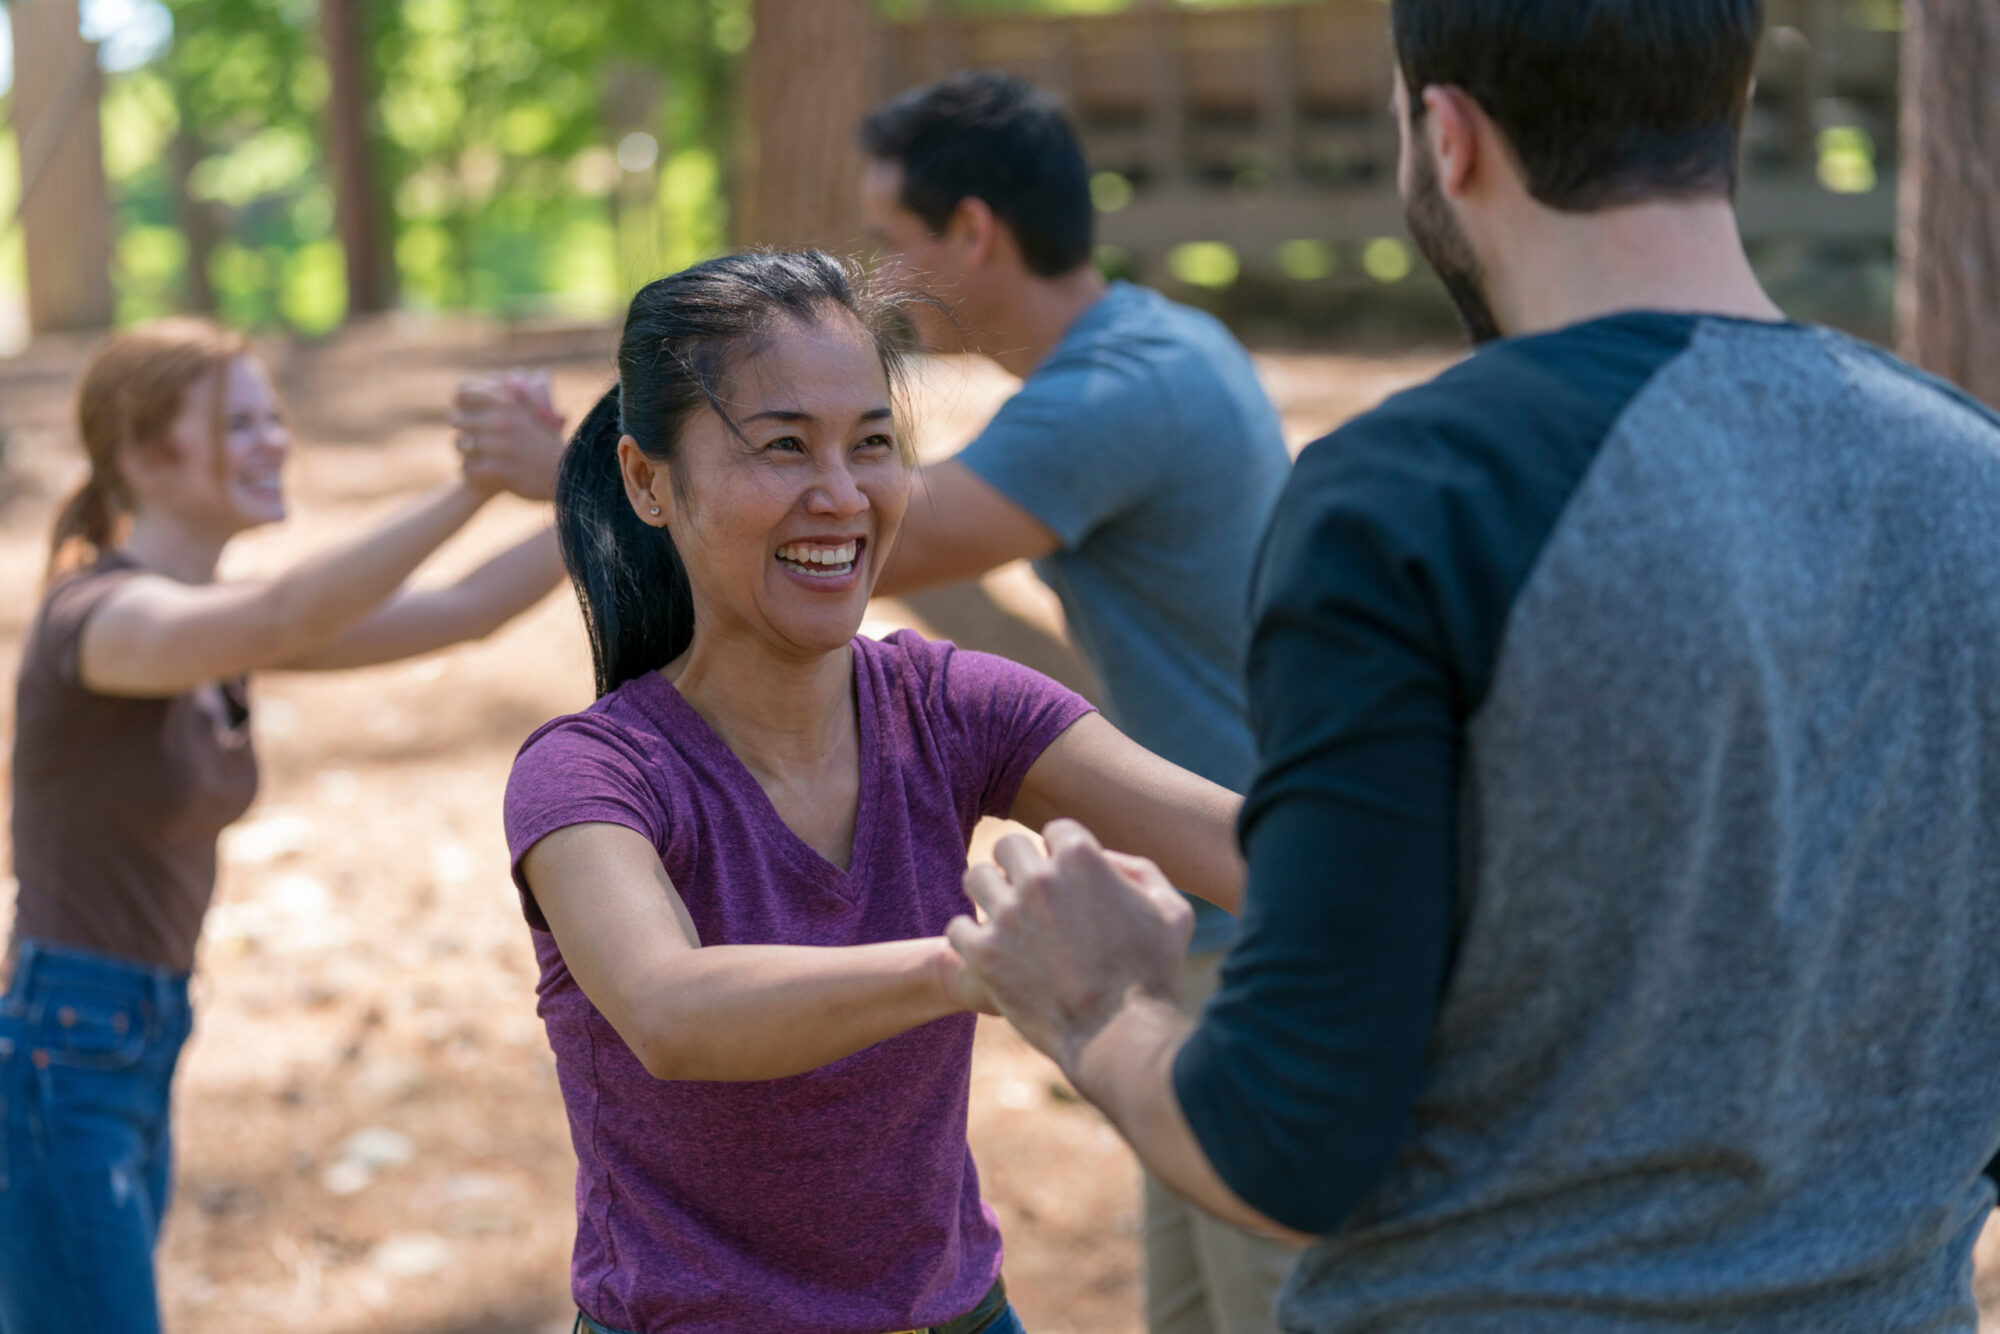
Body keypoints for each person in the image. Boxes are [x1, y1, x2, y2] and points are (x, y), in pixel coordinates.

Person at [948, 2, 2000, 1332]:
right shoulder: (1974, 477)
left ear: (1447, 137)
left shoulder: (1417, 497)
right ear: (1720, 117)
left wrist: (1094, 1003)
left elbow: (1283, 1143)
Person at [501, 250, 1250, 1334]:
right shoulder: (591, 773)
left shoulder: (949, 705)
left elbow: (1250, 844)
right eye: (782, 447)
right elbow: (669, 1008)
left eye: (871, 444)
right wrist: (983, 964)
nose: (842, 497)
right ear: (646, 479)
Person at [0, 318, 569, 1333]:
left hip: (132, 1034)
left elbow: (467, 607)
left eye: (275, 420)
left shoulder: (202, 619)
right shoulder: (104, 620)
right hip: (60, 1044)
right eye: (242, 422)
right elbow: (281, 618)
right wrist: (473, 485)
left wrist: (608, 486)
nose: (276, 442)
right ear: (142, 452)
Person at [855, 71, 1302, 1334]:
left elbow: (861, 538)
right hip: (1224, 893)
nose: (880, 279)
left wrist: (689, 448)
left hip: (1240, 921)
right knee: (1201, 1305)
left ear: (975, 234)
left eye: (891, 242)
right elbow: (1020, 646)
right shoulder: (1155, 341)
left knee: (1279, 1300)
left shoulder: (1113, 393)